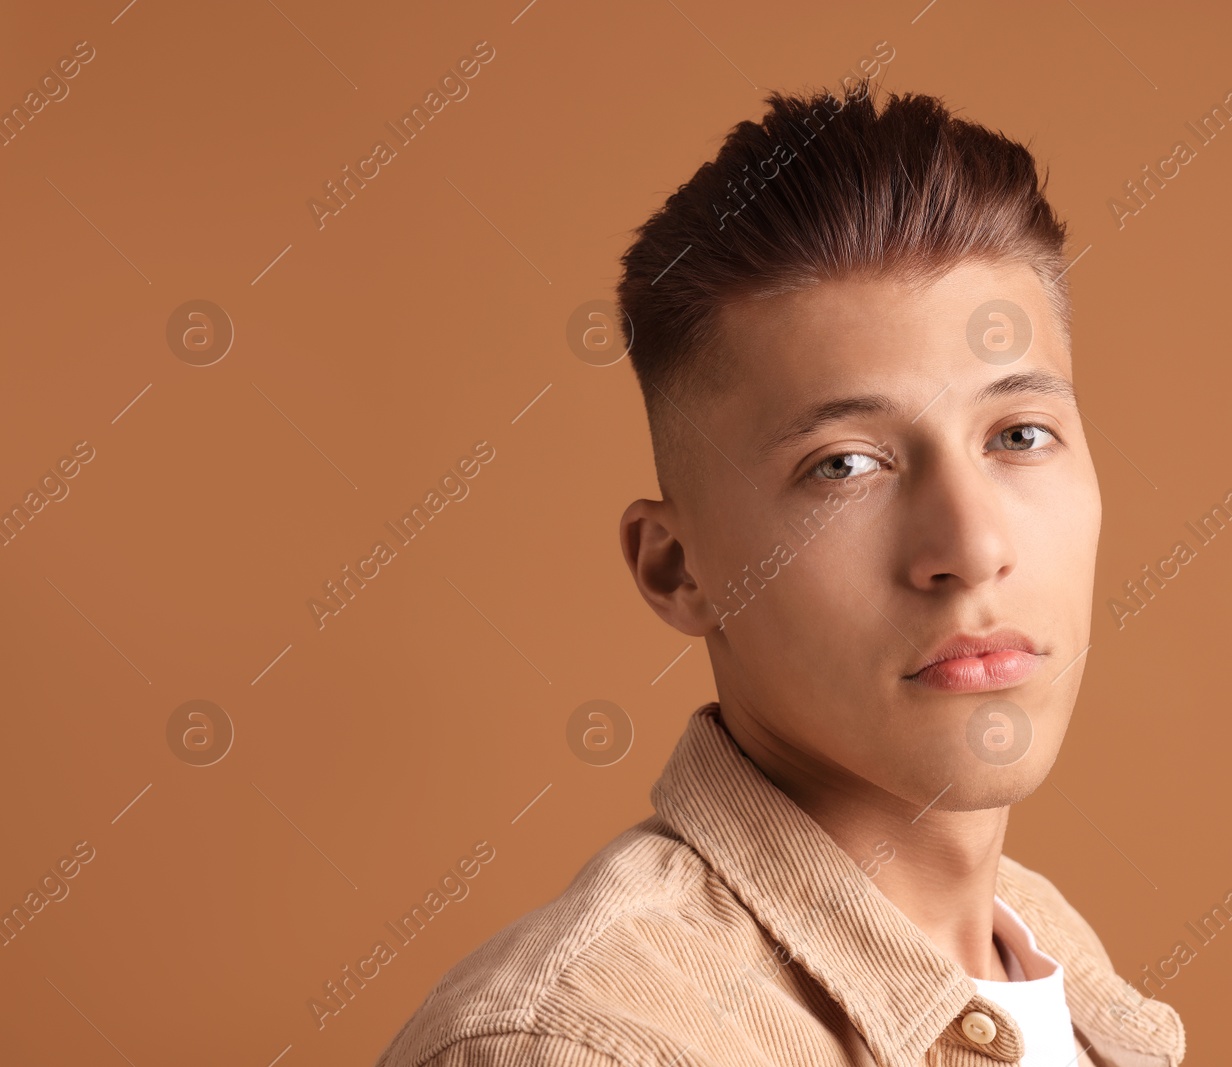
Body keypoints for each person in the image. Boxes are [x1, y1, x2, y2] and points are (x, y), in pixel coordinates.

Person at [374, 80, 1185, 1067]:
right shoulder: (592, 1043)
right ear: (676, 569)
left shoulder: (1044, 944)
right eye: (842, 464)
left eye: (1018, 433)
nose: (970, 547)